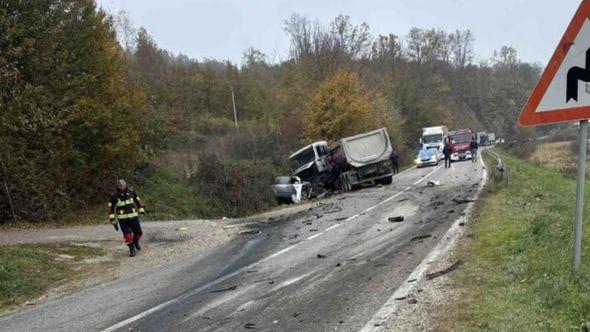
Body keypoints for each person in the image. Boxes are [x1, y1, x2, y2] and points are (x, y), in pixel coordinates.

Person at [108, 179, 145, 257]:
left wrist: (141, 211)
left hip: (134, 217)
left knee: (139, 233)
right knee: (127, 235)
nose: (122, 186)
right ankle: (131, 249)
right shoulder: (114, 195)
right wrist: (112, 219)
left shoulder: (131, 192)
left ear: (125, 184)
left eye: (123, 185)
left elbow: (139, 202)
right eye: (120, 185)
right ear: (118, 186)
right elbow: (110, 208)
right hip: (123, 219)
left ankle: (135, 242)